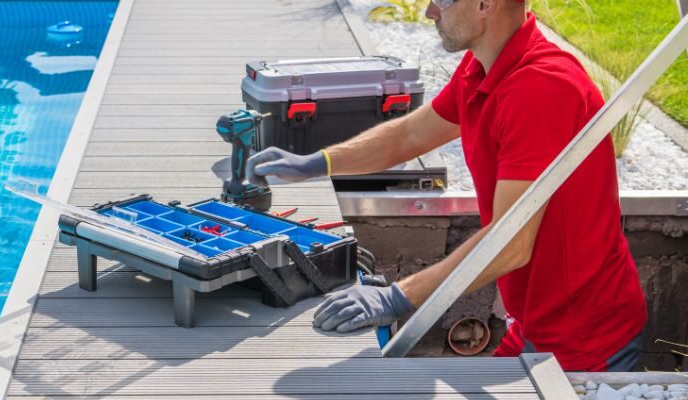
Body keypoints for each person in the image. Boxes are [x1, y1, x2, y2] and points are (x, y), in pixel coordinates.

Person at [245, 0, 647, 372]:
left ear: (485, 4)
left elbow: (512, 242)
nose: (429, 11)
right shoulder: (483, 67)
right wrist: (318, 162)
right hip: (533, 325)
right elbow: (408, 137)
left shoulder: (541, 89)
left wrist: (396, 297)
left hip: (586, 341)